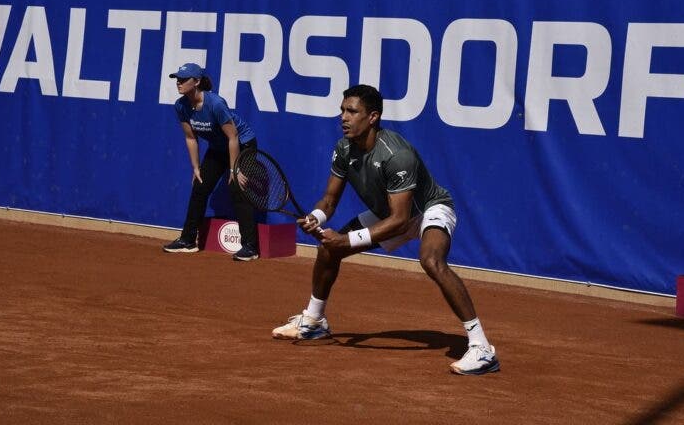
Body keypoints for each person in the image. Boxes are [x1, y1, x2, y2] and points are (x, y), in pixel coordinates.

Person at [272, 84, 500, 375]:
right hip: (389, 213)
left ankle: (482, 347)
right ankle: (314, 321)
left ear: (373, 117)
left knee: (431, 261)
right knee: (327, 249)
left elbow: (401, 220)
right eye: (342, 110)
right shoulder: (343, 149)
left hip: (428, 208)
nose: (343, 117)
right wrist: (317, 217)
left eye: (352, 111)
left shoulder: (396, 154)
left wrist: (348, 239)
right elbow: (329, 200)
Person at [162, 62, 260, 262]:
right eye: (177, 79)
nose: (178, 83)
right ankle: (188, 240)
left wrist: (233, 170)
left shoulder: (215, 104)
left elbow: (233, 137)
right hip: (218, 148)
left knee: (237, 188)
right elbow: (191, 138)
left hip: (243, 144)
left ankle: (250, 246)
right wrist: (196, 167)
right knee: (200, 186)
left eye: (183, 79)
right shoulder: (180, 106)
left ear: (196, 81)